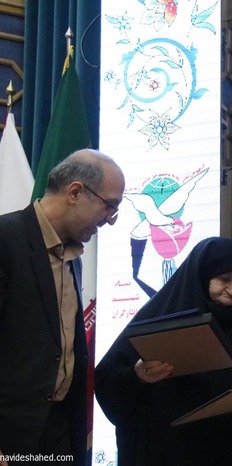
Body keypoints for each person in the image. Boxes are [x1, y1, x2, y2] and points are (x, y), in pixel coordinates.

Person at [0, 149, 125, 465]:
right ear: (75, 192)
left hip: (58, 431)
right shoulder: (5, 239)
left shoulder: (73, 257)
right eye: (110, 205)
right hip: (10, 434)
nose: (111, 220)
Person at [95, 237, 232, 466]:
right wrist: (137, 377)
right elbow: (107, 380)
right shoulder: (159, 315)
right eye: (224, 279)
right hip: (164, 453)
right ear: (203, 276)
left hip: (222, 454)